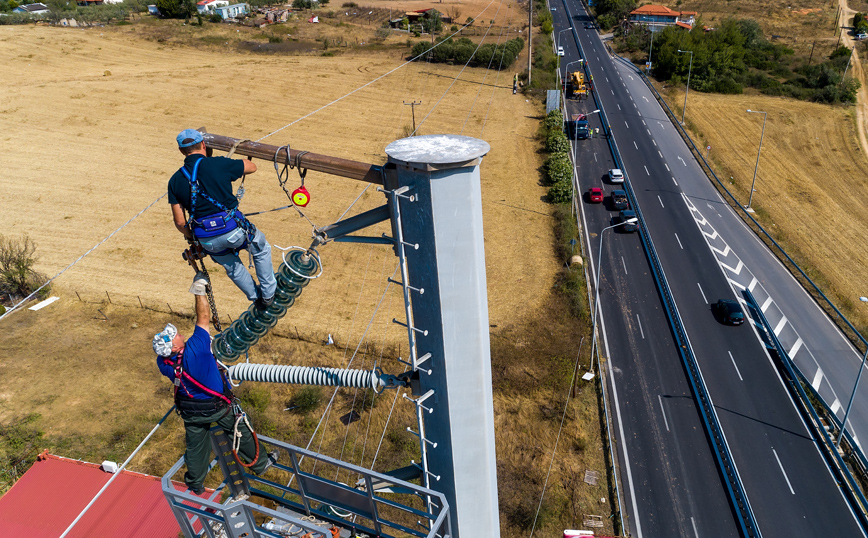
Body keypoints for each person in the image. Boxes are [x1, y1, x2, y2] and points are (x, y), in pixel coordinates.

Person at [154, 273, 277, 495]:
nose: (179, 334)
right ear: (174, 347)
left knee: (196, 448)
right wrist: (200, 290)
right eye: (174, 336)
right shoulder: (197, 348)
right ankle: (261, 464)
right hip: (217, 407)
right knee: (240, 430)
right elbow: (203, 316)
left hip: (190, 412)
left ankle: (195, 483)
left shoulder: (163, 364)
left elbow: (162, 357)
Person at [168, 129, 276, 309]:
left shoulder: (175, 180)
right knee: (260, 248)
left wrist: (194, 238)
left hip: (207, 239)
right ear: (203, 145)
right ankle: (269, 294)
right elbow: (251, 167)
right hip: (233, 228)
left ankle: (256, 298)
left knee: (232, 267)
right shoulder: (218, 164)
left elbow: (180, 222)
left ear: (181, 151)